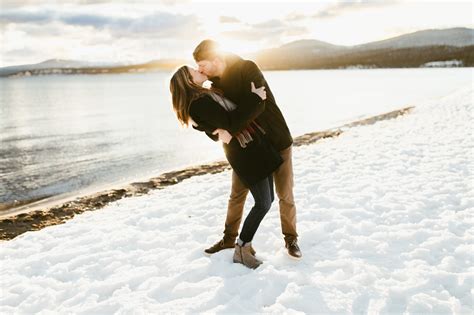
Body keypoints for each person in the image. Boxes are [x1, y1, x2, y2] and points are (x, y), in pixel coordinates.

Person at [193, 40, 302, 259]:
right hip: (248, 149)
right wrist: (211, 129)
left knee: (285, 194)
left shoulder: (247, 68)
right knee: (237, 194)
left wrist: (234, 120)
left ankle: (291, 239)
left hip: (277, 139)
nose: (199, 70)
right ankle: (229, 239)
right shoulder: (214, 86)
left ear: (216, 59)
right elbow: (219, 118)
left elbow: (259, 103)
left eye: (202, 64)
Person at [169, 65, 283, 269]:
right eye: (193, 70)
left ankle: (244, 244)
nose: (198, 69)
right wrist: (255, 98)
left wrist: (214, 130)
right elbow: (232, 122)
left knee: (269, 199)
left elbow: (222, 122)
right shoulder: (199, 103)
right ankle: (241, 248)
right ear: (188, 79)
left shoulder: (207, 94)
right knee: (263, 203)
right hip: (245, 153)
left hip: (252, 147)